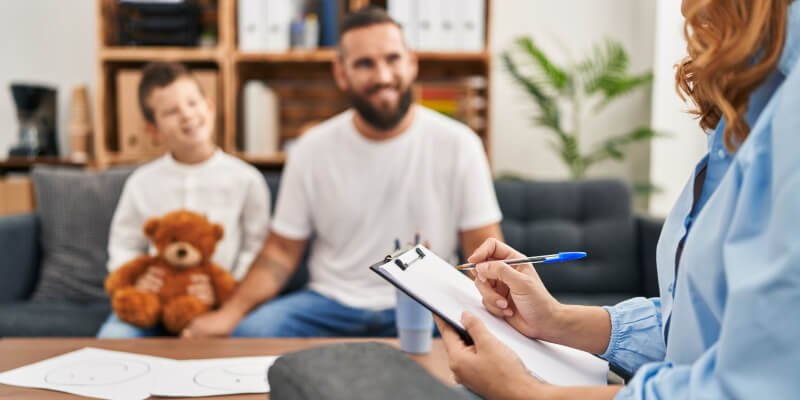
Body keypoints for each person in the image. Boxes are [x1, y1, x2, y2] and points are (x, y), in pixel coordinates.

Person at [434, 0, 800, 398]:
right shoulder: (751, 106)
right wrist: (555, 320)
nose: (684, 11)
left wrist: (524, 392)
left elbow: (750, 387)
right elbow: (700, 330)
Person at [182, 7, 503, 338]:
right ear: (341, 73)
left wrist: (497, 316)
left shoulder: (460, 143)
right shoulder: (311, 149)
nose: (382, 76)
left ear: (411, 62)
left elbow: (484, 247)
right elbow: (280, 252)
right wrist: (229, 315)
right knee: (251, 332)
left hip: (428, 303)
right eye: (364, 64)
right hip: (329, 304)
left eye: (392, 59)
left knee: (491, 342)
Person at [97, 62, 271, 338]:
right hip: (152, 302)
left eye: (192, 103)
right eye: (171, 111)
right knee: (114, 339)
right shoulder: (141, 183)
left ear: (210, 106)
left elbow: (256, 248)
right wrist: (139, 281)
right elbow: (124, 244)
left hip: (216, 304)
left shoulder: (247, 180)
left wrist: (227, 290)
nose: (187, 115)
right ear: (153, 130)